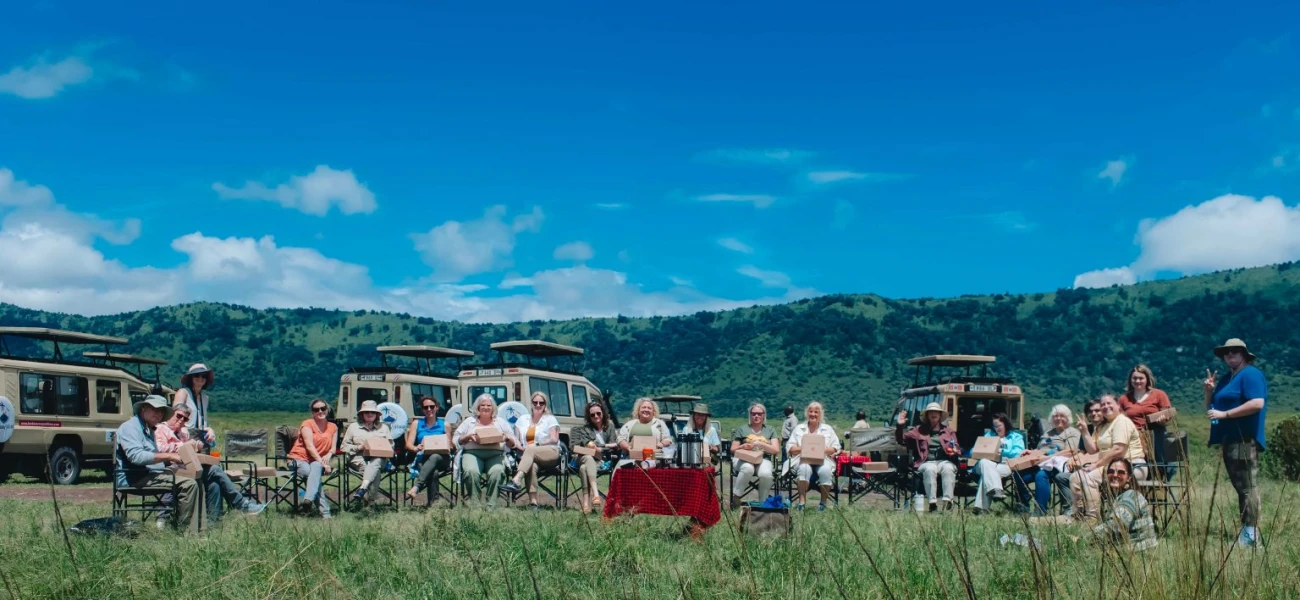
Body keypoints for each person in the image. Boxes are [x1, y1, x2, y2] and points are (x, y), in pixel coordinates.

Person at [155, 402, 265, 522]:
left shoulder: (182, 433)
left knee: (214, 482)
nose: (181, 420)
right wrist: (185, 445)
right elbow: (160, 449)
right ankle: (240, 503)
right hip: (171, 470)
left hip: (186, 468)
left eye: (185, 419)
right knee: (215, 470)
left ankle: (213, 522)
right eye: (178, 416)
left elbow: (191, 448)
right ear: (171, 414)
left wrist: (196, 445)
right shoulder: (161, 429)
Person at [1205, 338, 1268, 548]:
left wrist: (1226, 414)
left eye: (1234, 352)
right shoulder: (1226, 379)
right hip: (1229, 440)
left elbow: (1257, 403)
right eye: (1226, 352)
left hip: (1243, 439)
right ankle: (1248, 530)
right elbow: (1212, 412)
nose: (1229, 355)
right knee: (1241, 486)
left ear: (1243, 354)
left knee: (1247, 487)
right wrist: (1208, 392)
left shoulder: (1250, 374)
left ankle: (1251, 535)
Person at [115, 396, 202, 531]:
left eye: (161, 411)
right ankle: (187, 532)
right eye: (155, 409)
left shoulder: (149, 429)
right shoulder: (130, 427)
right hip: (134, 477)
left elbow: (154, 455)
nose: (159, 413)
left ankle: (197, 527)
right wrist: (169, 456)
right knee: (189, 484)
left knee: (195, 478)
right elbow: (136, 457)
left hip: (149, 474)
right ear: (143, 409)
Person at [1069, 394, 1147, 522]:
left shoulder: (1121, 421)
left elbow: (1118, 450)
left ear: (1118, 406)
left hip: (1131, 466)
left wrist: (1096, 465)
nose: (1106, 406)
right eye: (1103, 404)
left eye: (1109, 403)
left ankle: (1092, 518)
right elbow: (1092, 449)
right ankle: (1079, 515)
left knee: (1089, 478)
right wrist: (1084, 431)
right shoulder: (1102, 425)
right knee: (1075, 477)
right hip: (1110, 465)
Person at [453, 394, 522, 509]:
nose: (486, 407)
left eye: (488, 405)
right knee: (471, 471)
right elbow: (455, 440)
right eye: (483, 405)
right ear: (478, 408)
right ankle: (475, 506)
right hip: (472, 453)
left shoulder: (501, 422)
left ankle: (491, 506)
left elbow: (513, 442)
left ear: (493, 408)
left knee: (498, 472)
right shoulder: (469, 422)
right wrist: (468, 437)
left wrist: (506, 438)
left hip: (495, 454)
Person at [895, 402, 961, 511]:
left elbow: (956, 447)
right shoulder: (918, 430)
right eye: (931, 412)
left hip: (945, 461)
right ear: (927, 415)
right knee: (930, 469)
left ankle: (947, 502)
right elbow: (901, 439)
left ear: (940, 415)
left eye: (936, 412)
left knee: (948, 468)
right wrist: (900, 425)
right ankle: (932, 503)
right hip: (925, 462)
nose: (933, 414)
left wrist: (954, 451)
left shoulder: (948, 431)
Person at [502, 392, 562, 510]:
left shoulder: (550, 419)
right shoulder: (523, 419)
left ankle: (516, 480)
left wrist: (536, 445)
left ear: (545, 405)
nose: (538, 405)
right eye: (535, 402)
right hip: (529, 456)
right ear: (531, 404)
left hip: (550, 453)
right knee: (532, 465)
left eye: (541, 403)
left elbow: (554, 439)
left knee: (530, 450)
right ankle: (533, 503)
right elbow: (516, 439)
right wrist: (520, 447)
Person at [1089, 458, 1158, 552]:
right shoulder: (1113, 497)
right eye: (1110, 471)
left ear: (1129, 477)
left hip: (1140, 553)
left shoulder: (1131, 497)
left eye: (1121, 472)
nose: (1115, 475)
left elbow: (1115, 526)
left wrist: (1084, 538)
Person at [1119, 365, 1176, 477]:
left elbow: (1168, 413)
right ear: (1130, 380)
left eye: (1141, 378)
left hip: (1155, 435)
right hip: (1133, 437)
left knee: (1160, 466)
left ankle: (1159, 486)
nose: (1137, 381)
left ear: (1147, 379)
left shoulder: (1159, 394)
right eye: (1134, 378)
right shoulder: (1124, 399)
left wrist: (1162, 418)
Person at [287, 398, 339, 518]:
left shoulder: (333, 427)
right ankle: (326, 515)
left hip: (316, 462)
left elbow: (333, 448)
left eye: (323, 408)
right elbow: (309, 446)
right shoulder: (307, 424)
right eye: (316, 409)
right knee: (313, 476)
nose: (320, 411)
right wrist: (324, 464)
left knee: (314, 470)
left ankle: (307, 501)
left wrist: (329, 455)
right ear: (312, 412)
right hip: (298, 459)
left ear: (327, 409)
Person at [786, 401, 841, 511]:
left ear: (820, 414)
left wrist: (820, 450)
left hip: (822, 459)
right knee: (804, 468)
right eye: (811, 411)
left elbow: (835, 448)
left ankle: (823, 503)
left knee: (825, 470)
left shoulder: (828, 429)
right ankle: (802, 502)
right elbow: (790, 448)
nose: (813, 414)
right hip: (802, 459)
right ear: (807, 413)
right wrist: (805, 449)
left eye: (816, 412)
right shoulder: (799, 428)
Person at [1030, 404, 1081, 514]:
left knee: (1041, 475)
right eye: (1055, 416)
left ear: (1068, 418)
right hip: (1039, 463)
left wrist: (1049, 457)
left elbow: (1071, 451)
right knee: (1020, 474)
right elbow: (1039, 449)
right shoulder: (1047, 433)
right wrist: (1030, 452)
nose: (1058, 418)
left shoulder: (1072, 432)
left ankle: (1040, 511)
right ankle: (1022, 506)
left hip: (1058, 466)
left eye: (1062, 416)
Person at [340, 400, 391, 508]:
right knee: (373, 470)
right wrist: (359, 447)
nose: (370, 414)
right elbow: (344, 447)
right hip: (359, 458)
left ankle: (363, 488)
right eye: (366, 412)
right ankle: (370, 504)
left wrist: (380, 446)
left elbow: (391, 446)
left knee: (376, 461)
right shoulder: (353, 427)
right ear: (361, 414)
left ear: (377, 414)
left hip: (381, 458)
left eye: (372, 412)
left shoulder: (384, 428)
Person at [972, 413, 1026, 514]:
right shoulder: (989, 435)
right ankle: (996, 489)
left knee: (987, 475)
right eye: (994, 426)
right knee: (985, 462)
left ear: (1005, 424)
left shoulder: (1016, 437)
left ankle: (980, 508)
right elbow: (975, 449)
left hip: (1005, 464)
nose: (997, 429)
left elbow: (1019, 453)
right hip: (985, 463)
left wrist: (1001, 451)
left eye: (999, 426)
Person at [570, 401, 618, 513]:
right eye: (592, 414)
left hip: (601, 460)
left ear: (603, 413)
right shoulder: (585, 429)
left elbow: (614, 444)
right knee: (588, 457)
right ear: (589, 416)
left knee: (583, 468)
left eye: (598, 413)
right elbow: (588, 444)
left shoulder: (610, 426)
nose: (596, 416)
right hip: (585, 457)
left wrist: (602, 447)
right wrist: (594, 448)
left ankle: (586, 504)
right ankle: (596, 495)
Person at [730, 403, 780, 508]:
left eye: (759, 414)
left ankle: (763, 503)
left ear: (763, 415)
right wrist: (743, 446)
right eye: (753, 414)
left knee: (766, 473)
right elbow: (733, 449)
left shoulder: (770, 430)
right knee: (748, 468)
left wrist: (762, 444)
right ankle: (736, 496)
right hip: (743, 459)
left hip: (763, 459)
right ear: (750, 415)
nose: (756, 416)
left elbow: (776, 450)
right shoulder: (742, 429)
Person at [404, 396, 450, 503]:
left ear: (437, 407)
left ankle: (417, 487)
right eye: (426, 407)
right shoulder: (417, 424)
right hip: (423, 458)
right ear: (423, 409)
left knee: (435, 456)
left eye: (432, 407)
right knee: (433, 473)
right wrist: (416, 448)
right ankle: (433, 504)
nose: (429, 409)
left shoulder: (445, 425)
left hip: (442, 459)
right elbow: (408, 445)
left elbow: (451, 446)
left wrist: (447, 444)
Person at [172, 363, 216, 447]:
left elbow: (203, 420)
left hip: (202, 437)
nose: (200, 378)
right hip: (185, 435)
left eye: (204, 376)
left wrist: (209, 429)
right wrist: (182, 428)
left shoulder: (205, 398)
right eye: (196, 375)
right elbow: (175, 415)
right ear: (190, 378)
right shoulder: (183, 392)